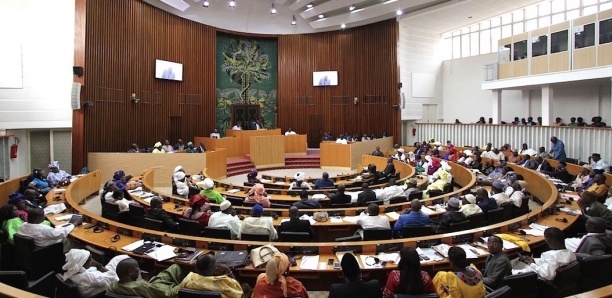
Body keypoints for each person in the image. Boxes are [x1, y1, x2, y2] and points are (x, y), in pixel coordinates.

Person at [61, 249, 129, 297]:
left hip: (98, 282)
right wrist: (99, 266)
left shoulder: (71, 272)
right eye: (90, 260)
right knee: (125, 261)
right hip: (109, 287)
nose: (92, 261)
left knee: (120, 258)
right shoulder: (90, 276)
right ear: (82, 264)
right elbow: (113, 279)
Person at [108, 258, 183, 298]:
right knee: (179, 274)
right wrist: (181, 285)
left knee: (174, 268)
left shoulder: (112, 286)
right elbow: (168, 294)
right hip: (161, 293)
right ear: (130, 272)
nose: (139, 271)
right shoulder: (142, 286)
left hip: (151, 290)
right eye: (138, 268)